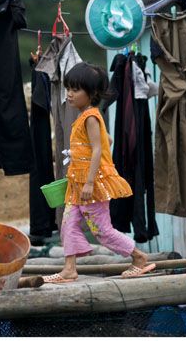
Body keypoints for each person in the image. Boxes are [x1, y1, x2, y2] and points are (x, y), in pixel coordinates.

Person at [43, 62, 156, 283]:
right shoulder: (84, 116)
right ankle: (69, 269)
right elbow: (105, 141)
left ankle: (139, 257)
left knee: (101, 230)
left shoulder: (91, 117)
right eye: (68, 89)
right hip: (76, 185)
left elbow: (97, 151)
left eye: (75, 90)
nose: (70, 94)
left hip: (90, 186)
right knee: (68, 224)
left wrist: (89, 182)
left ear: (92, 93)